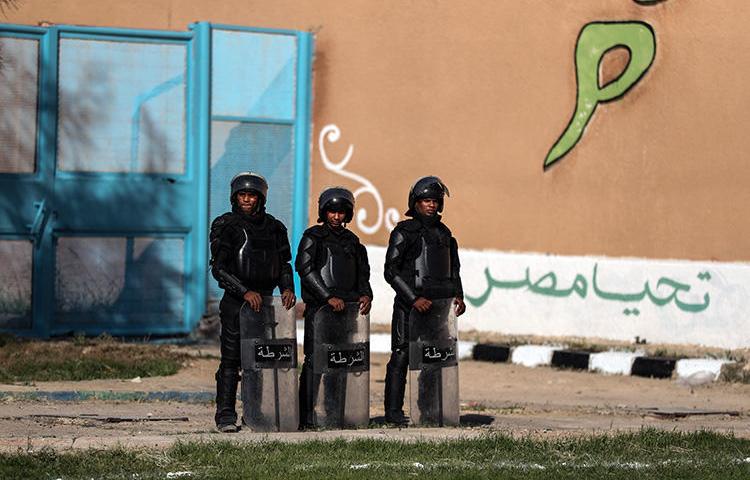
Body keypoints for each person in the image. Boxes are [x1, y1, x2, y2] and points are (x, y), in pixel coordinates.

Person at [209, 171, 296, 433]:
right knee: (232, 360)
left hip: (267, 304)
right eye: (243, 195)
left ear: (261, 198)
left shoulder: (275, 227)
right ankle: (225, 415)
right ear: (235, 197)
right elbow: (219, 268)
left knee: (260, 361)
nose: (247, 200)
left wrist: (288, 288)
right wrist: (244, 291)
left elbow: (283, 264)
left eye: (252, 195)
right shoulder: (227, 225)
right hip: (238, 304)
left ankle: (256, 414)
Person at [383, 175, 466, 425]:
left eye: (434, 201)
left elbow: (454, 270)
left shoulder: (445, 234)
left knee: (434, 357)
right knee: (401, 356)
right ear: (415, 203)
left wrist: (458, 296)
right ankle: (393, 412)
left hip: (438, 309)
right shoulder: (403, 232)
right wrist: (413, 299)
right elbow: (391, 271)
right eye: (425, 200)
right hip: (410, 308)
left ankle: (428, 409)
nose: (430, 205)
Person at [295, 187, 373, 428]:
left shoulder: (353, 242)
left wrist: (366, 294)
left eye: (341, 212)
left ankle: (333, 413)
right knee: (315, 361)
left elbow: (363, 274)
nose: (336, 216)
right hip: (321, 311)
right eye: (332, 211)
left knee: (339, 362)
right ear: (323, 212)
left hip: (347, 312)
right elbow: (305, 270)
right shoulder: (313, 236)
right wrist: (327, 297)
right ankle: (306, 416)